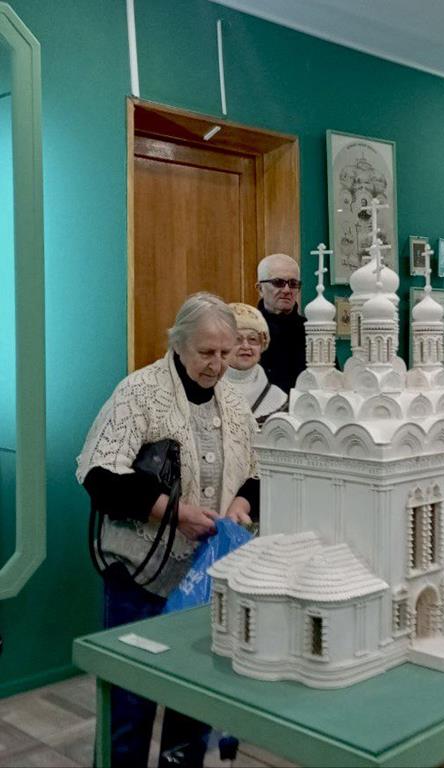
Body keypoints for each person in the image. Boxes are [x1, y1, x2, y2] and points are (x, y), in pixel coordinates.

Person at [76, 293, 258, 768]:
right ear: (178, 344)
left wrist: (240, 504)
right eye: (206, 352)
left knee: (193, 704)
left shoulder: (234, 404)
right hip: (139, 577)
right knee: (130, 704)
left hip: (202, 582)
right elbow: (99, 475)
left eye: (225, 353)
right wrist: (173, 512)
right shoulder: (139, 393)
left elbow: (258, 472)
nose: (217, 365)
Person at [226, 302, 288, 423]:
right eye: (237, 339)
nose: (245, 346)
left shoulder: (279, 398)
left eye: (253, 339)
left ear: (263, 345)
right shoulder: (208, 389)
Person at [256, 253, 306, 392]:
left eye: (293, 284)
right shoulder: (244, 330)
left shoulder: (311, 331)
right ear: (260, 289)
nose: (286, 290)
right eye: (278, 282)